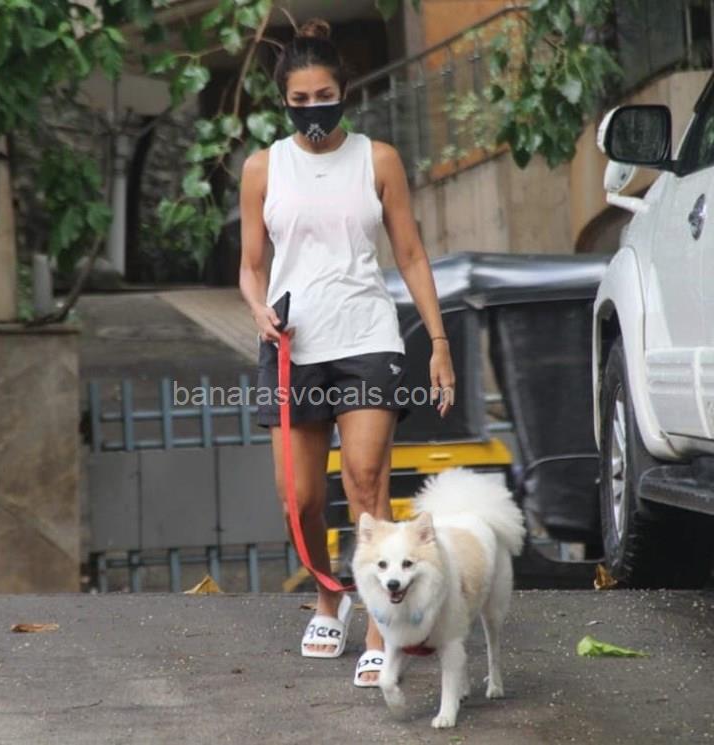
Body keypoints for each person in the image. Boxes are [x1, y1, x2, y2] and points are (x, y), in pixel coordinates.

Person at [238, 17, 456, 687]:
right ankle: (328, 597)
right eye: (300, 100)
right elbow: (251, 265)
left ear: (344, 91)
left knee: (365, 482)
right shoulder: (263, 168)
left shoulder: (376, 159)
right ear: (284, 100)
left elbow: (410, 254)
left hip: (367, 338)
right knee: (298, 500)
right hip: (295, 346)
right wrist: (257, 307)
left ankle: (379, 628)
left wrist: (438, 341)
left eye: (324, 96)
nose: (313, 109)